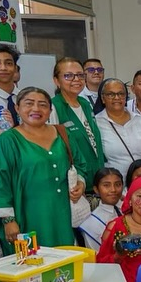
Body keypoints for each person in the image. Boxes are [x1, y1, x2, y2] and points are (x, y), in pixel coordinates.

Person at [0, 87, 88, 254]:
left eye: (42, 105)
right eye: (29, 104)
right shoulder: (8, 141)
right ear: (18, 108)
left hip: (62, 212)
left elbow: (80, 164)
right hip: (27, 215)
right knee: (33, 264)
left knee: (65, 260)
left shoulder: (62, 133)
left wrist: (81, 183)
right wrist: (8, 220)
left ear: (50, 110)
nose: (36, 109)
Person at [50, 57, 104, 190]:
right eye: (68, 76)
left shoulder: (84, 103)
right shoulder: (53, 107)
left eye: (80, 75)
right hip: (74, 183)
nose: (76, 80)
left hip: (96, 179)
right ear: (56, 81)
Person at [94, 78, 141, 182]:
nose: (117, 98)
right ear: (103, 98)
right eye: (111, 94)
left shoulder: (139, 120)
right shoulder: (96, 123)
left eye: (121, 94)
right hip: (114, 186)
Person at [78, 167, 123, 251]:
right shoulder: (90, 224)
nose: (113, 190)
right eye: (106, 185)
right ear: (96, 189)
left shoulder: (125, 211)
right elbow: (97, 256)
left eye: (117, 184)